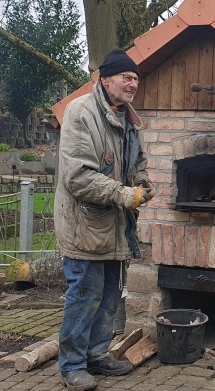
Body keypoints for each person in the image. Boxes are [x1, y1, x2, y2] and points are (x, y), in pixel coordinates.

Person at [54, 49, 154, 391]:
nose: (132, 84)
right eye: (126, 77)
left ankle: (97, 355)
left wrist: (142, 183)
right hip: (85, 226)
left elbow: (136, 163)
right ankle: (72, 366)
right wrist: (125, 195)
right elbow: (78, 177)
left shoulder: (129, 120)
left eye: (136, 78)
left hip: (115, 227)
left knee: (110, 294)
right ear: (105, 78)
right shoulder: (81, 113)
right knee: (84, 294)